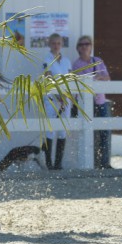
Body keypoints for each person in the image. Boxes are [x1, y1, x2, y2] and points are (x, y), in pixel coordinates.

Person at [72, 35, 112, 169]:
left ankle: (105, 163)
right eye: (82, 44)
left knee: (104, 132)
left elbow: (107, 78)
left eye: (87, 44)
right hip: (84, 104)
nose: (84, 46)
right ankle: (91, 163)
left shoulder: (98, 61)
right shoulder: (76, 64)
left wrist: (97, 77)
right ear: (78, 47)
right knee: (87, 133)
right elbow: (78, 83)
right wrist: (96, 78)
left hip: (100, 101)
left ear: (91, 46)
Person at [42, 33, 72, 170]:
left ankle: (58, 163)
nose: (56, 46)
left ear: (61, 44)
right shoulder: (46, 59)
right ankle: (49, 164)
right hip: (51, 98)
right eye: (53, 43)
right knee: (50, 129)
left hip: (66, 99)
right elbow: (48, 77)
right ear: (49, 44)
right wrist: (59, 95)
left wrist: (68, 96)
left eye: (58, 43)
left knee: (62, 130)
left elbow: (71, 79)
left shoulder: (66, 61)